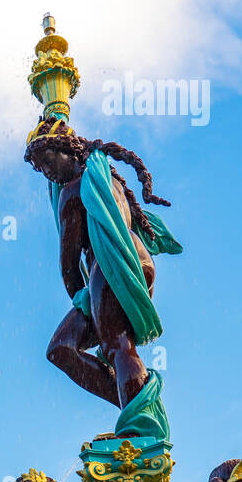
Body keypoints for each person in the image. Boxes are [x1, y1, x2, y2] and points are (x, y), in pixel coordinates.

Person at [26, 122, 181, 413]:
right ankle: (133, 407)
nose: (47, 171)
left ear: (67, 150)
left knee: (110, 346)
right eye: (40, 168)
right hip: (136, 258)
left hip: (107, 267)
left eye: (48, 161)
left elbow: (68, 264)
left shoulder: (74, 191)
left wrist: (80, 296)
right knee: (83, 347)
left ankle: (139, 424)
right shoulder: (105, 178)